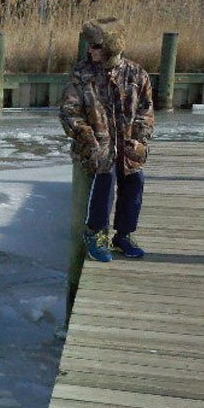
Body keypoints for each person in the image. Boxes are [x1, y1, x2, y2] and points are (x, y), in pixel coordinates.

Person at [60, 17, 155, 262]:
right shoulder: (82, 73)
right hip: (94, 147)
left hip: (126, 145)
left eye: (96, 46)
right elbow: (69, 112)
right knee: (105, 175)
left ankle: (123, 235)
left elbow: (146, 112)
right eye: (89, 45)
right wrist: (88, 137)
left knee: (135, 179)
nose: (90, 50)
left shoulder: (137, 74)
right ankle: (95, 233)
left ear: (112, 47)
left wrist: (140, 141)